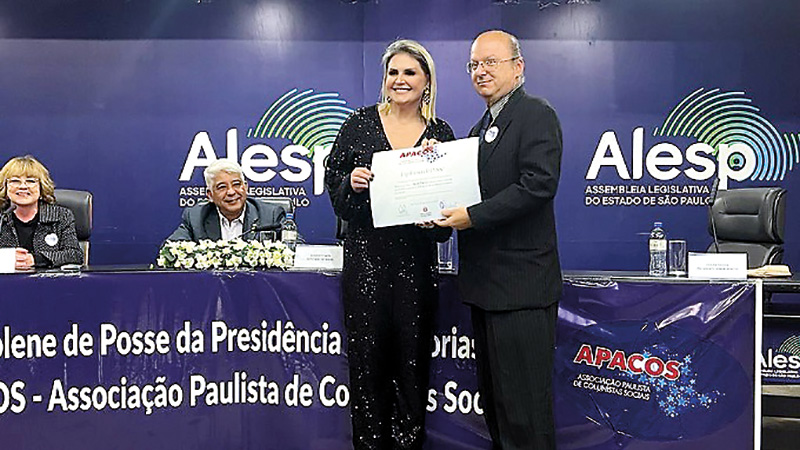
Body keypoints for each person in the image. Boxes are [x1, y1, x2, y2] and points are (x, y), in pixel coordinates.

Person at [436, 30, 563, 449]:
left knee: (526, 414)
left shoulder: (536, 114)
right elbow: (466, 193)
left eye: (491, 62)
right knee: (498, 410)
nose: (481, 71)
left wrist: (472, 216)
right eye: (474, 64)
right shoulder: (479, 129)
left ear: (518, 67)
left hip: (522, 290)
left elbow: (538, 185)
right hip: (485, 289)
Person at [324, 39, 454, 450]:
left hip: (416, 268)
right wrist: (351, 183)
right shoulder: (358, 123)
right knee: (367, 369)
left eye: (409, 72)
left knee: (412, 370)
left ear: (426, 81)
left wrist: (436, 214)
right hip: (366, 263)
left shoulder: (440, 134)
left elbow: (447, 218)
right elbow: (336, 190)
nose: (400, 79)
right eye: (393, 72)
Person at [166, 159, 285, 242]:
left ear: (245, 187)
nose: (231, 192)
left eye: (236, 184)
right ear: (210, 195)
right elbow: (170, 251)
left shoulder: (271, 216)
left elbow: (293, 251)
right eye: (222, 187)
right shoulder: (196, 217)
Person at [0, 155, 83, 269]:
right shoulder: (1, 218)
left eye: (30, 181)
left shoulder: (60, 216)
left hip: (49, 279)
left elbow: (75, 255)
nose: (23, 186)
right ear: (5, 187)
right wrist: (6, 259)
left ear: (41, 187)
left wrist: (35, 259)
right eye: (15, 181)